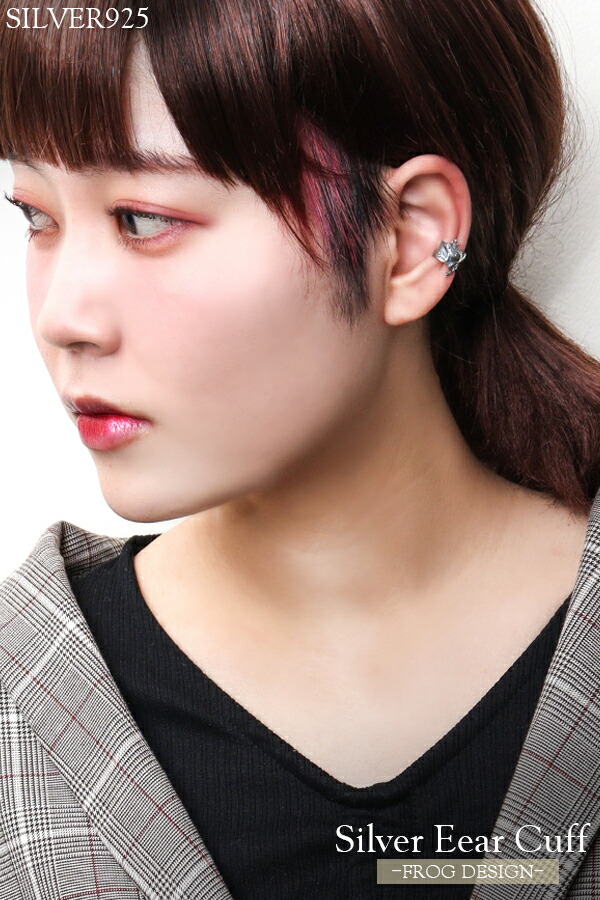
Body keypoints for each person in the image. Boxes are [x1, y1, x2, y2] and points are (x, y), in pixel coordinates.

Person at [0, 0, 599, 897]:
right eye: (35, 216)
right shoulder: (25, 705)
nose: (61, 318)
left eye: (143, 218)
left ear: (410, 241)